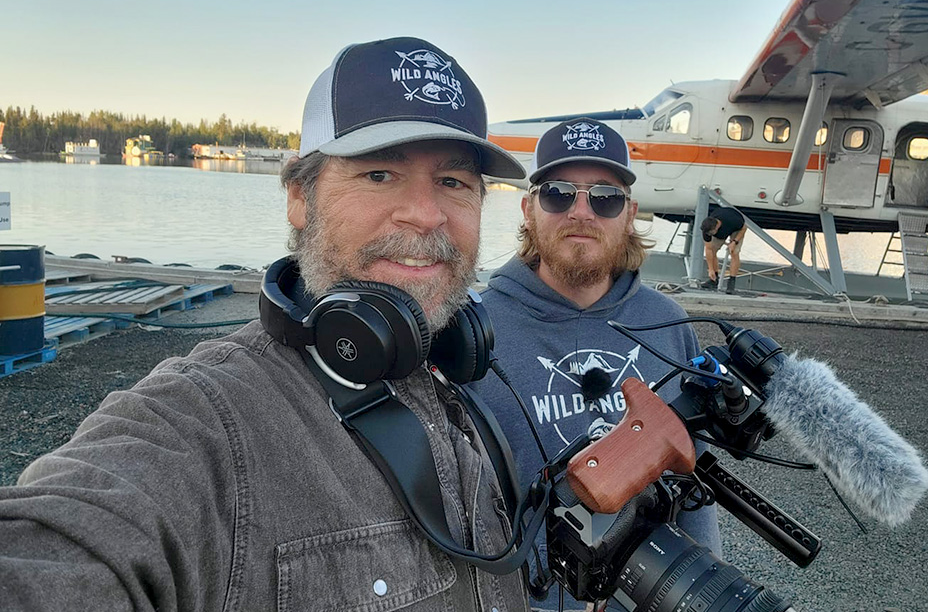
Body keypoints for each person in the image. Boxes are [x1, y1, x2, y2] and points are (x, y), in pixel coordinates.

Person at [0, 37, 532, 611]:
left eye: (454, 183)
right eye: (379, 174)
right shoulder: (201, 423)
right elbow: (62, 545)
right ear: (299, 198)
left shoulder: (448, 371)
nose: (426, 214)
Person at [471, 118, 721, 611]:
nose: (581, 211)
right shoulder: (475, 331)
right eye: (559, 193)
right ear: (528, 208)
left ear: (629, 214)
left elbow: (696, 481)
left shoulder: (667, 323)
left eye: (604, 197)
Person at [700, 206, 747, 294]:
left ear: (717, 226)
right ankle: (714, 280)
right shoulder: (707, 229)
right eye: (708, 233)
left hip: (736, 229)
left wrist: (734, 242)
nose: (710, 235)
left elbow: (744, 228)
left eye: (711, 233)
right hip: (720, 233)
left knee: (734, 252)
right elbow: (708, 249)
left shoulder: (734, 220)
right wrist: (710, 269)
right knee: (713, 250)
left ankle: (731, 283)